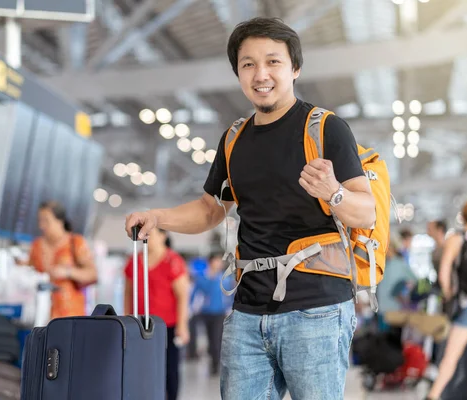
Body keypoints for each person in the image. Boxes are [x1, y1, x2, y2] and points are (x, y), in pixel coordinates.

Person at [125, 17, 375, 400]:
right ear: (238, 73)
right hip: (247, 312)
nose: (261, 74)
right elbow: (211, 209)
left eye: (273, 62)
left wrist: (334, 192)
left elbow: (366, 213)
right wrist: (159, 218)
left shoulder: (326, 129)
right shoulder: (234, 138)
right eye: (248, 64)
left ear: (295, 68)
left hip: (317, 309)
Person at [426, 202, 467, 400]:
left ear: (462, 217)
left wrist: (448, 293)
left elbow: (444, 274)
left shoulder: (456, 239)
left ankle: (434, 395)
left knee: (452, 354)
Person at [123, 228, 190, 400]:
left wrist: (182, 325)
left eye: (151, 233)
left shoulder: (173, 260)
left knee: (169, 367)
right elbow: (128, 292)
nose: (147, 237)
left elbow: (182, 295)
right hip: (139, 325)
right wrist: (125, 318)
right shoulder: (134, 261)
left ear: (163, 235)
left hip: (166, 325)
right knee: (141, 366)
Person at [26, 201, 97, 320]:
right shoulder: (36, 246)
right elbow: (30, 272)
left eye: (46, 220)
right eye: (40, 220)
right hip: (40, 315)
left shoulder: (75, 243)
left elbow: (93, 274)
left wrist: (68, 272)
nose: (41, 226)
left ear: (60, 221)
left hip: (71, 316)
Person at [191, 251, 232, 376]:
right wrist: (191, 307)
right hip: (206, 312)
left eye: (219, 261)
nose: (218, 264)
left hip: (219, 312)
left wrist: (229, 308)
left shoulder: (225, 279)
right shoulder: (203, 278)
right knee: (210, 338)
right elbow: (195, 293)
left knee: (216, 338)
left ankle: (216, 364)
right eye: (216, 261)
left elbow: (230, 295)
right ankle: (213, 362)